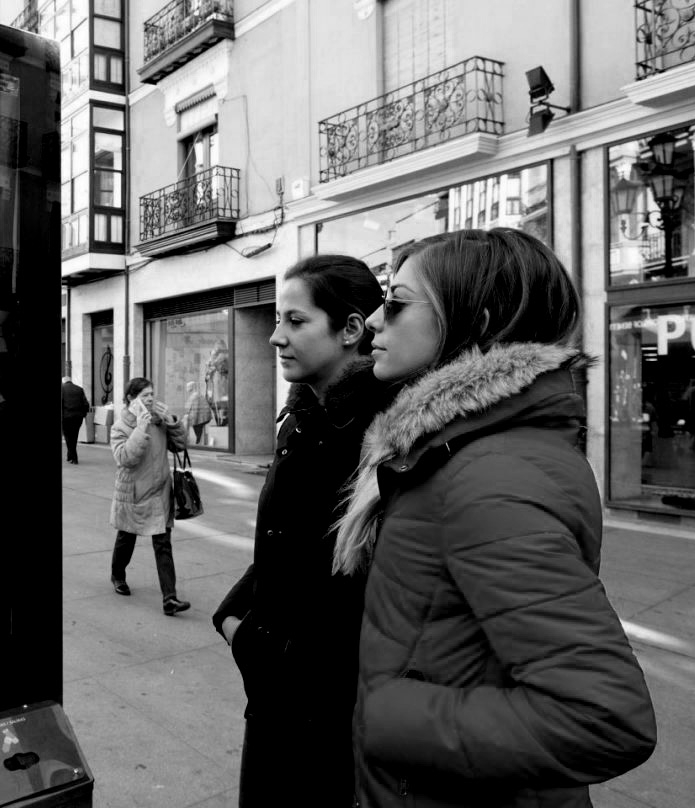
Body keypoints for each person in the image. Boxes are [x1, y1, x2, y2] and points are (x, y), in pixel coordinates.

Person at [335, 228, 656, 808]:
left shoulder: (487, 476)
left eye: (399, 303)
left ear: (477, 323)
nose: (377, 320)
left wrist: (389, 715)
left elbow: (604, 716)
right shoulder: (457, 451)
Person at [211, 255, 389, 806]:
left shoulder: (378, 435)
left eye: (295, 320)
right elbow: (284, 542)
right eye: (277, 320)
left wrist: (258, 646)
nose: (274, 337)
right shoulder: (306, 415)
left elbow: (354, 582)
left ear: (352, 329)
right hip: (276, 698)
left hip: (324, 716)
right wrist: (234, 614)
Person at [109, 377, 190, 616]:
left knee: (163, 544)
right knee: (126, 538)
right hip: (134, 493)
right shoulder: (120, 427)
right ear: (131, 400)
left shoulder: (158, 422)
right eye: (144, 396)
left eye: (152, 394)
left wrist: (173, 422)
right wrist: (140, 429)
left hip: (160, 492)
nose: (151, 399)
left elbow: (180, 446)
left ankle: (170, 598)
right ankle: (117, 575)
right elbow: (124, 458)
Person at [61, 376, 90, 464]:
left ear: (63, 382)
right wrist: (83, 414)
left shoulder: (62, 389)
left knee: (68, 437)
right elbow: (86, 404)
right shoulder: (79, 389)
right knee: (74, 436)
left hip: (66, 417)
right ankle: (69, 456)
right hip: (78, 418)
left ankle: (74, 457)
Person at [183, 381, 212, 445]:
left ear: (192, 387)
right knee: (187, 419)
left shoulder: (195, 396)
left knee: (188, 420)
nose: (186, 388)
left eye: (188, 387)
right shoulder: (195, 395)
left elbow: (196, 411)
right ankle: (187, 437)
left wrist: (190, 417)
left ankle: (187, 438)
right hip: (201, 416)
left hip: (202, 417)